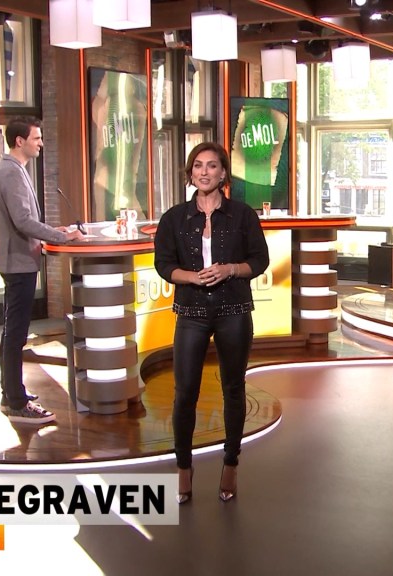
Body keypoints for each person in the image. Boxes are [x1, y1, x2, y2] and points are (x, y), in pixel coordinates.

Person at [154, 142, 269, 504]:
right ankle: (183, 468)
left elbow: (260, 260)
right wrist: (192, 277)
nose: (204, 172)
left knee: (233, 389)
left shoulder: (242, 215)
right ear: (190, 174)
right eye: (198, 166)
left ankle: (230, 463)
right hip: (191, 312)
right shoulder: (174, 218)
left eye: (212, 166)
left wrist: (230, 269)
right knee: (184, 393)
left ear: (223, 173)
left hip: (234, 309)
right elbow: (163, 264)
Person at [0, 116, 84, 424]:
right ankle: (16, 402)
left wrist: (53, 230)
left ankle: (11, 394)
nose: (41, 143)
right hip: (17, 263)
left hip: (19, 261)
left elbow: (24, 221)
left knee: (13, 331)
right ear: (20, 141)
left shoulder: (13, 169)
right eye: (37, 138)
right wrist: (61, 236)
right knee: (15, 333)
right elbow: (22, 221)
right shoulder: (10, 172)